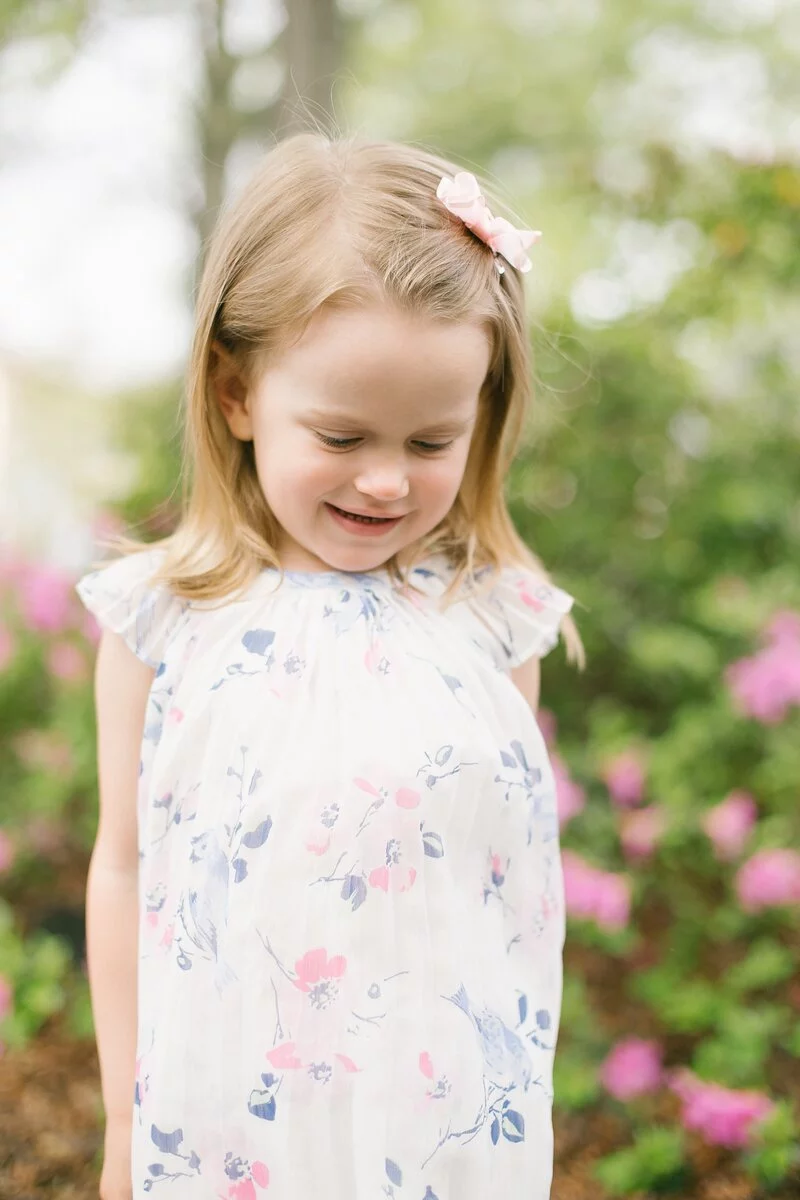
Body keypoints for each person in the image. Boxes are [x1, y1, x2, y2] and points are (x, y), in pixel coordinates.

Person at [77, 132, 584, 1200]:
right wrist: (125, 1115)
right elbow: (125, 866)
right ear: (234, 395)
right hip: (232, 1123)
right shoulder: (164, 620)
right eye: (343, 437)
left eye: (430, 440)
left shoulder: (487, 619)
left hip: (439, 1133)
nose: (387, 482)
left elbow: (503, 885)